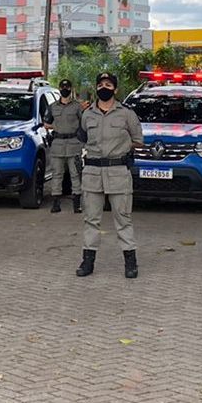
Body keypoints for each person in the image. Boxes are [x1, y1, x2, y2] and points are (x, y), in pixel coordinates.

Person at [76, 71, 145, 278]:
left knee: (123, 219)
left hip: (118, 171)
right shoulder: (87, 114)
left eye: (108, 85)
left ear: (115, 89)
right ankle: (88, 262)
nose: (103, 88)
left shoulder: (126, 114)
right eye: (100, 85)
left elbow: (138, 140)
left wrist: (120, 148)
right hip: (93, 172)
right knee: (91, 219)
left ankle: (130, 263)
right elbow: (83, 137)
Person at [45, 78, 84, 214]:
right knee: (57, 174)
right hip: (58, 144)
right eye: (63, 87)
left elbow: (83, 123)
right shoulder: (53, 106)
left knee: (75, 174)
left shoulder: (77, 107)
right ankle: (56, 203)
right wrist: (56, 126)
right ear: (60, 88)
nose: (65, 89)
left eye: (67, 88)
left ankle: (77, 204)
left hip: (73, 143)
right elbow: (46, 123)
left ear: (71, 89)